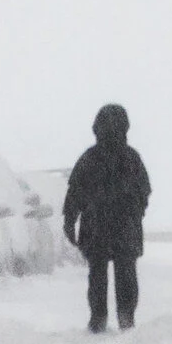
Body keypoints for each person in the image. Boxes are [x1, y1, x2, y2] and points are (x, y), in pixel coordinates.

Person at [63, 102, 151, 332]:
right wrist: (136, 212)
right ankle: (126, 316)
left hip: (96, 227)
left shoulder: (89, 159)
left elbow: (74, 193)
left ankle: (98, 319)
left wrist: (70, 220)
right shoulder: (132, 158)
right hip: (125, 228)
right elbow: (144, 191)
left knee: (97, 276)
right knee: (126, 274)